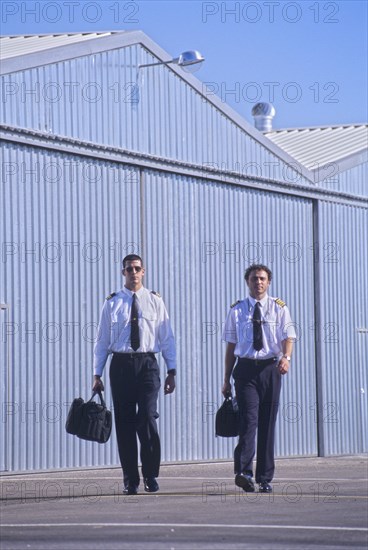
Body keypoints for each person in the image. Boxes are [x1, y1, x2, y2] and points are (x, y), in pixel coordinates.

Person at [92, 254, 176, 495]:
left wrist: (172, 370)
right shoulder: (112, 303)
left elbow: (167, 338)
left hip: (148, 364)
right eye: (129, 269)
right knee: (125, 423)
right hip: (120, 365)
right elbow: (101, 341)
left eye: (137, 268)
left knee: (148, 418)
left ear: (144, 271)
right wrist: (96, 374)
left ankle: (150, 474)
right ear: (123, 273)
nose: (133, 272)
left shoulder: (155, 301)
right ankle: (130, 479)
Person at [222, 264, 296, 493]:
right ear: (248, 282)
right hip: (245, 371)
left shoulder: (279, 308)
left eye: (262, 279)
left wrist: (286, 358)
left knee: (267, 423)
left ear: (269, 282)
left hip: (270, 369)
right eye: (254, 279)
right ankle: (244, 473)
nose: (258, 283)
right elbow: (231, 346)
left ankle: (264, 477)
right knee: (248, 421)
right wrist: (226, 379)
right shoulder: (237, 310)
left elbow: (289, 336)